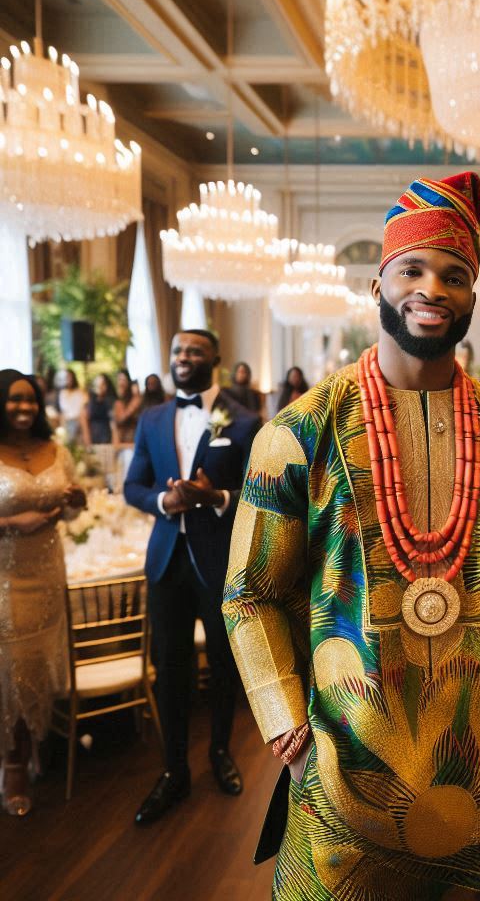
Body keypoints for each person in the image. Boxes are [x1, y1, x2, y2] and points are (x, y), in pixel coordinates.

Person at [224, 172, 480, 899]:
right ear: (378, 285)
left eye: (455, 275)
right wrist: (284, 726)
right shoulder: (300, 429)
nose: (433, 288)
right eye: (414, 269)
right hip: (342, 776)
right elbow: (249, 594)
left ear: (471, 295)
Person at [124, 329, 260, 827]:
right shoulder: (153, 418)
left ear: (215, 359)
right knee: (170, 665)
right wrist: (164, 502)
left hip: (217, 558)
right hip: (165, 560)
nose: (183, 358)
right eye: (178, 350)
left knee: (224, 663)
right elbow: (132, 486)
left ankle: (221, 752)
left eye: (194, 351)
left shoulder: (242, 420)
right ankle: (173, 770)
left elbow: (258, 492)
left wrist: (216, 499)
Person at [0, 369, 86, 817]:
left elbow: (70, 515)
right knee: (12, 666)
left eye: (30, 400)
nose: (24, 407)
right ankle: (11, 761)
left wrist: (74, 503)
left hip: (50, 570)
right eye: (14, 400)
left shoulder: (57, 450)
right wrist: (13, 524)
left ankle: (36, 737)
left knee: (41, 659)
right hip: (6, 576)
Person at [55, 368, 87, 445]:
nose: (67, 380)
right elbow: (62, 412)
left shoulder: (80, 393)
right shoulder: (62, 393)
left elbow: (83, 411)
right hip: (66, 424)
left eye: (69, 377)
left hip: (79, 424)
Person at [82, 373, 115, 447]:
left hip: (107, 440)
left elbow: (113, 425)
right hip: (93, 440)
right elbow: (85, 425)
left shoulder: (111, 403)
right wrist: (88, 444)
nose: (100, 386)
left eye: (102, 384)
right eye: (97, 384)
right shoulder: (89, 403)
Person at [112, 369, 142, 446]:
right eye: (119, 380)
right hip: (121, 442)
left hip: (133, 441)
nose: (121, 383)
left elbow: (122, 418)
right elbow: (117, 421)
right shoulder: (117, 401)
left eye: (123, 380)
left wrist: (135, 397)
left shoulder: (136, 399)